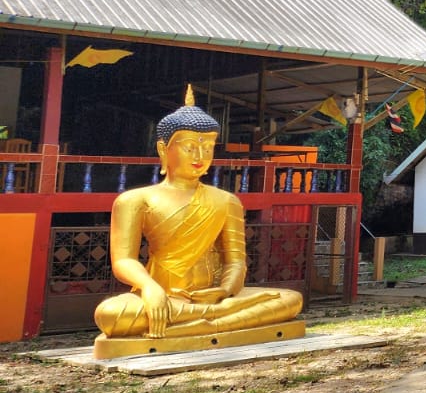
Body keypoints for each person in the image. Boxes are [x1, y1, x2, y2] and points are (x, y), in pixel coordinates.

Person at [93, 89, 302, 340]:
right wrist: (150, 287)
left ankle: (197, 325)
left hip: (214, 297)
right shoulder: (135, 200)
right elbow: (123, 261)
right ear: (163, 149)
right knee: (111, 314)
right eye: (190, 147)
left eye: (208, 147)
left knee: (291, 300)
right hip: (164, 294)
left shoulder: (226, 201)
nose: (200, 156)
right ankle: (211, 321)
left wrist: (225, 290)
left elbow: (236, 261)